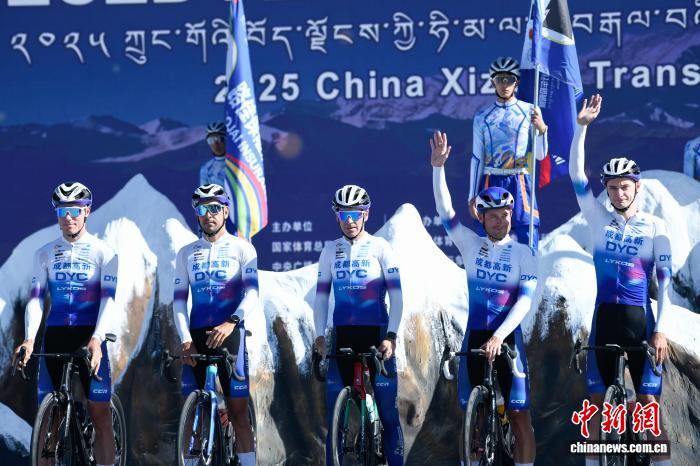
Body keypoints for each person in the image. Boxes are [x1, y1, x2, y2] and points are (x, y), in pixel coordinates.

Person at [570, 95, 672, 466]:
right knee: (596, 406)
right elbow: (576, 176)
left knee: (648, 407)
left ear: (637, 187)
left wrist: (660, 331)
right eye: (612, 187)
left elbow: (666, 282)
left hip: (639, 322)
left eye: (625, 186)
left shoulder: (655, 227)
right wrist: (581, 127)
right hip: (605, 320)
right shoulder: (598, 219)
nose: (619, 193)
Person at [431, 132, 537, 466]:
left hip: (508, 340)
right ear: (482, 218)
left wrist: (499, 336)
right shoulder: (470, 245)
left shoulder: (523, 253)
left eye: (505, 214)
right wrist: (438, 168)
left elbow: (524, 302)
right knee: (475, 415)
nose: (500, 220)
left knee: (519, 416)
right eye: (493, 215)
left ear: (511, 215)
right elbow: (445, 211)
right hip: (476, 335)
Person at [13, 182, 119, 466]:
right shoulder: (44, 253)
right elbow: (36, 300)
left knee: (99, 412)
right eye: (62, 211)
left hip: (89, 336)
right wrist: (30, 339)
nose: (68, 217)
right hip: (55, 336)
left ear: (87, 212)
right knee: (50, 416)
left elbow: (109, 300)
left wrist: (97, 338)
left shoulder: (104, 252)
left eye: (74, 210)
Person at [313, 185, 404, 465]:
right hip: (343, 336)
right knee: (334, 414)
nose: (349, 220)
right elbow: (321, 298)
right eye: (344, 214)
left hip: (377, 335)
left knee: (388, 411)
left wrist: (391, 336)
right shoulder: (330, 251)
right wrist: (319, 336)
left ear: (366, 214)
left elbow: (397, 297)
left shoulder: (380, 248)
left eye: (355, 214)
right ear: (337, 216)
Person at [172, 183, 258, 466]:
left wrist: (232, 322)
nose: (209, 214)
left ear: (225, 212)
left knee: (239, 414)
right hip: (196, 337)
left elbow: (253, 294)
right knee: (192, 412)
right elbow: (178, 302)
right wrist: (185, 339)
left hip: (230, 335)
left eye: (215, 208)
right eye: (202, 209)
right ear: (196, 214)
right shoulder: (186, 253)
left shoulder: (242, 248)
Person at [469, 57, 548, 250]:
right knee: (487, 238)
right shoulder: (482, 117)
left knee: (528, 233)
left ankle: (530, 269)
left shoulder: (530, 111)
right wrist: (471, 196)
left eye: (509, 79)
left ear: (516, 82)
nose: (504, 84)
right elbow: (477, 158)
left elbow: (540, 155)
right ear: (492, 82)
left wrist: (542, 130)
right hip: (491, 178)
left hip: (520, 179)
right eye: (500, 79)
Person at [200, 122, 228, 187]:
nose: (215, 144)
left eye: (220, 139)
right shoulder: (206, 169)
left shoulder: (239, 163)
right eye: (211, 140)